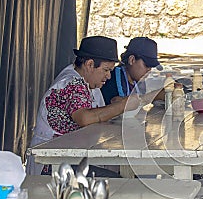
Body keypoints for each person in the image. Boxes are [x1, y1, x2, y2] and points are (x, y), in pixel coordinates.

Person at [26, 36, 142, 176]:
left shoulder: (86, 81)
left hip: (68, 158)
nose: (109, 76)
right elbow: (85, 118)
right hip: (52, 166)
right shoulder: (72, 83)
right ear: (90, 64)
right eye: (106, 70)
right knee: (117, 183)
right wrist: (125, 104)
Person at [101, 37, 164, 105]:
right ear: (132, 60)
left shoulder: (139, 82)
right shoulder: (110, 80)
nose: (149, 70)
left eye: (151, 67)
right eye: (147, 65)